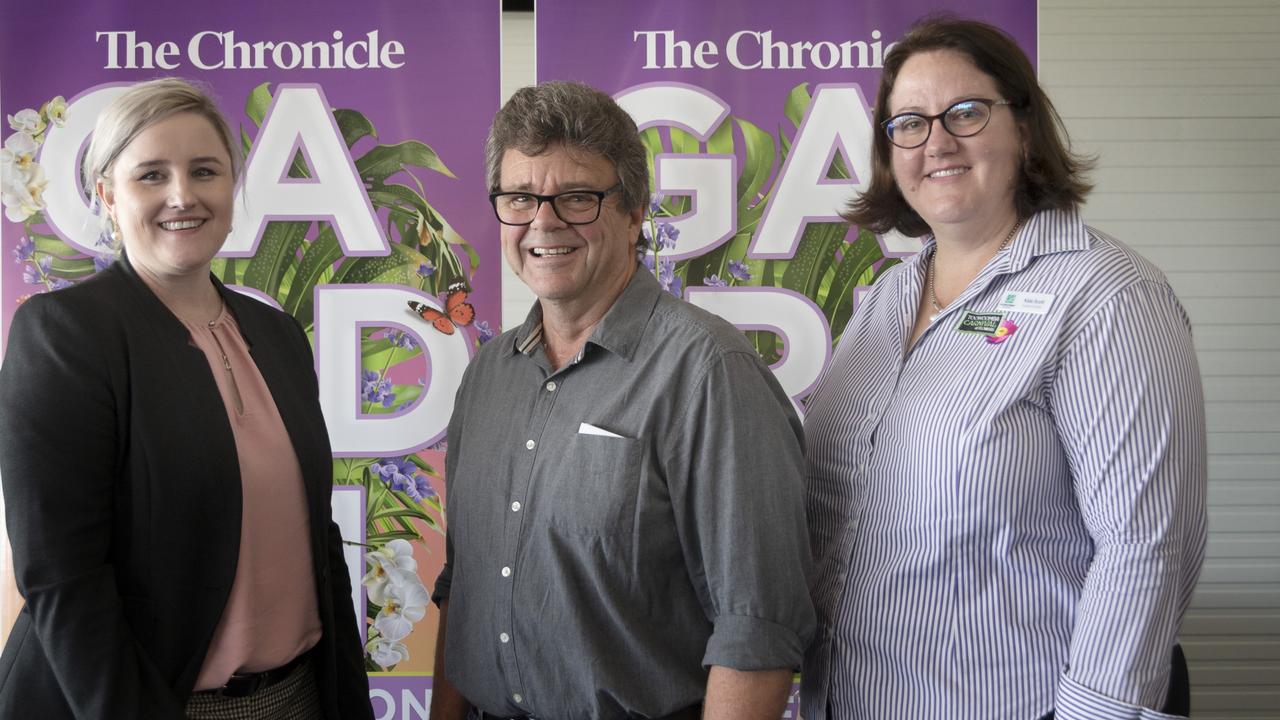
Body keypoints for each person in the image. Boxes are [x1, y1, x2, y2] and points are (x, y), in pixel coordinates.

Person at [802, 17, 1207, 720]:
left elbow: (1148, 545)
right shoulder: (886, 296)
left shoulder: (1106, 295)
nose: (937, 143)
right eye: (909, 124)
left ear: (1023, 127)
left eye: (965, 112)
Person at [427, 81, 815, 720]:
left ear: (635, 213)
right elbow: (461, 587)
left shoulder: (709, 373)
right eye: (520, 198)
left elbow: (758, 630)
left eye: (577, 198)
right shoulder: (489, 375)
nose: (543, 223)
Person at [0, 78, 373, 720]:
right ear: (107, 195)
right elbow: (64, 579)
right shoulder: (65, 334)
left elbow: (317, 537)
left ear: (231, 186)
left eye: (205, 171)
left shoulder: (277, 335)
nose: (183, 195)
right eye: (151, 174)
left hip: (300, 696)